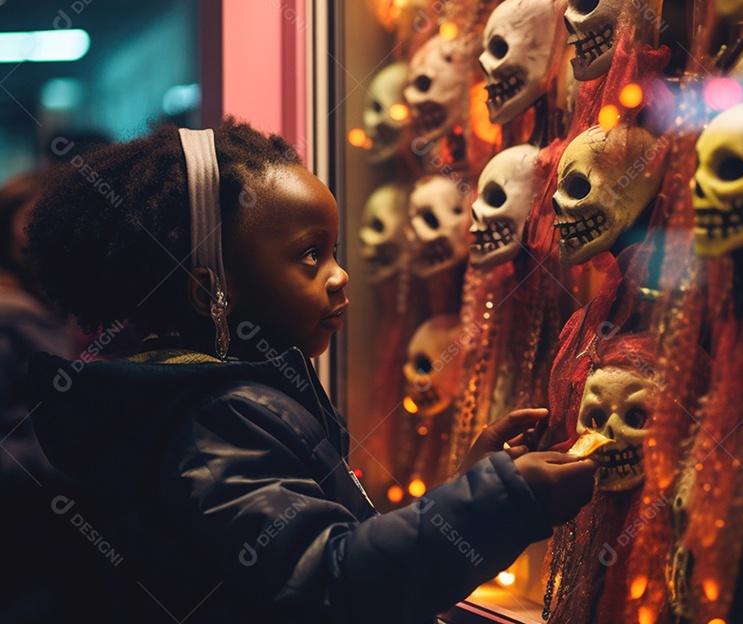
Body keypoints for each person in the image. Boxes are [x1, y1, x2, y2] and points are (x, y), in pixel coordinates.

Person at [24, 118, 596, 624]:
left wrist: (464, 491)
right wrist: (500, 503)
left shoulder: (222, 402)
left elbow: (331, 545)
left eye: (335, 250)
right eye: (309, 255)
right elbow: (329, 583)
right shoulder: (216, 422)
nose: (339, 275)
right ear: (211, 292)